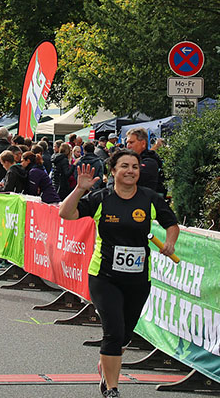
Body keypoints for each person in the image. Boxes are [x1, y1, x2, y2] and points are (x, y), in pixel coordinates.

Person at [59, 151, 179, 398]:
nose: (131, 171)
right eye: (124, 166)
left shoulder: (150, 198)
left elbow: (171, 224)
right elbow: (65, 213)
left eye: (135, 167)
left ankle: (107, 363)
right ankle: (111, 387)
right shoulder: (101, 198)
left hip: (137, 279)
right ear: (113, 171)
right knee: (113, 331)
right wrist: (80, 189)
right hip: (104, 276)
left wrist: (170, 243)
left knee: (124, 334)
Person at [125, 128, 166, 195]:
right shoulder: (132, 160)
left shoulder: (150, 162)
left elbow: (130, 179)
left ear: (143, 143)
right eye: (127, 143)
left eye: (131, 142)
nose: (128, 146)